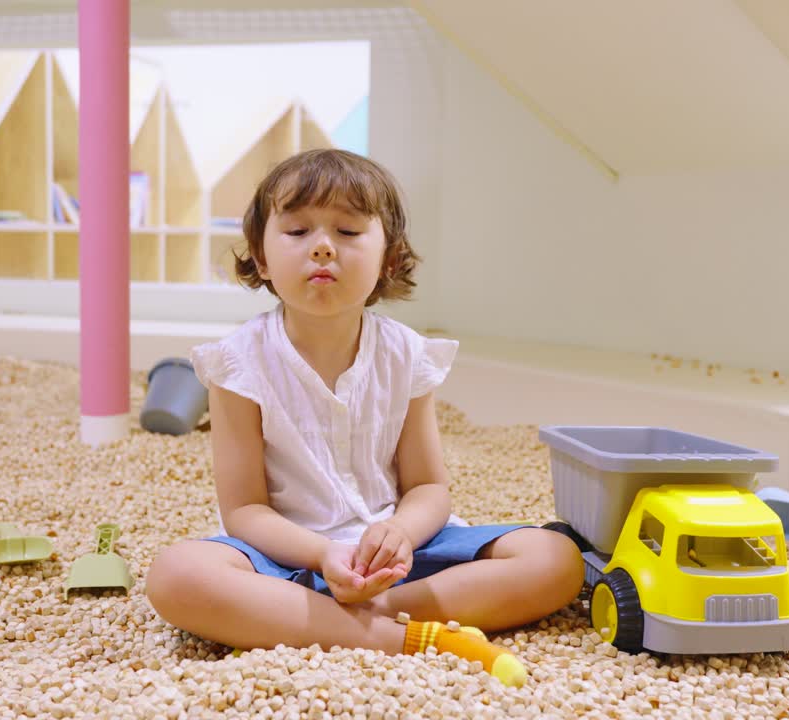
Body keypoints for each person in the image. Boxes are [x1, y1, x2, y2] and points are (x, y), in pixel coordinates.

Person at [145, 149, 582, 686]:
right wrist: (326, 553)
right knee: (177, 575)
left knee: (555, 557)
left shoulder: (405, 354)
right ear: (261, 259)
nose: (323, 246)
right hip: (284, 562)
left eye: (349, 232)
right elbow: (244, 510)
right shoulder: (237, 363)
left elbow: (428, 488)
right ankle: (406, 638)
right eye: (299, 230)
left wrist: (398, 532)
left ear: (388, 261)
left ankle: (332, 622)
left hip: (394, 563)